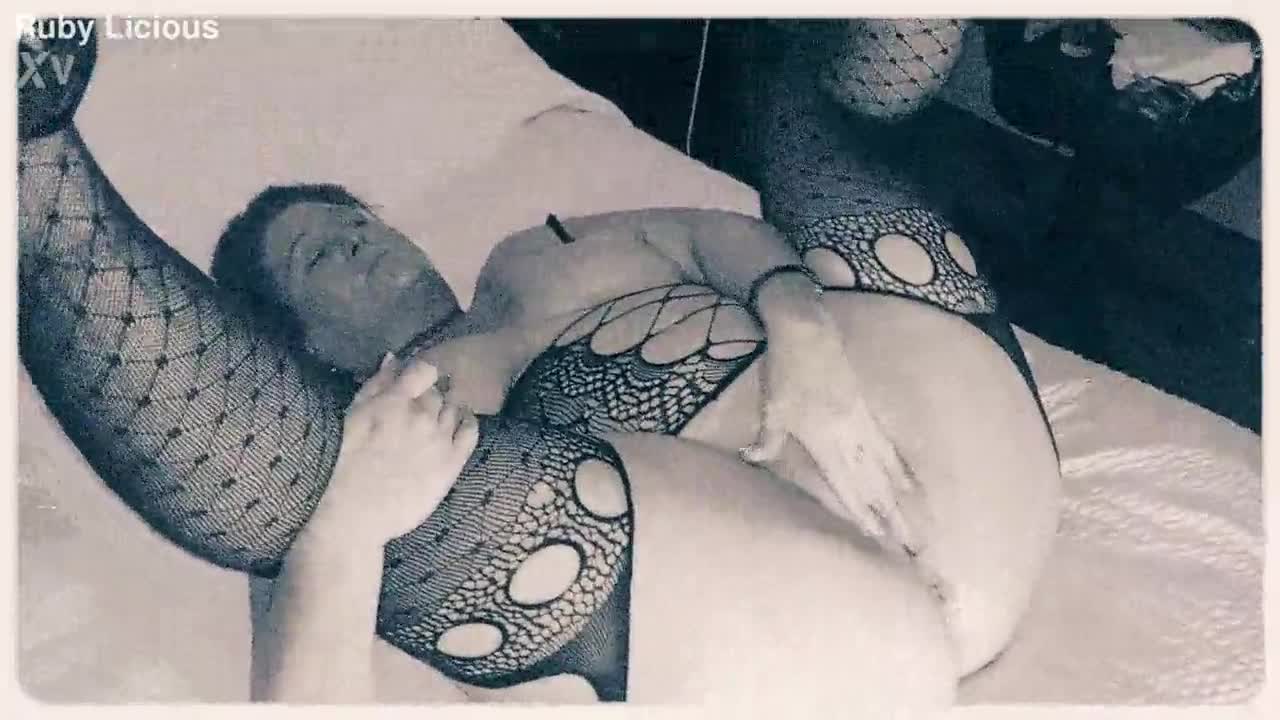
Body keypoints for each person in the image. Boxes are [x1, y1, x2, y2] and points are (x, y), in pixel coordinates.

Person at [17, 28, 1058, 709]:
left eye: (356, 220)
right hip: (822, 615)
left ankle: (837, 53)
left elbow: (715, 236)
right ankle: (31, 149)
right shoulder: (352, 431)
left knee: (808, 144)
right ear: (303, 343)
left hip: (949, 451)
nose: (362, 240)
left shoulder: (536, 251)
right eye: (321, 256)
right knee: (315, 496)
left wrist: (800, 328)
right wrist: (346, 521)